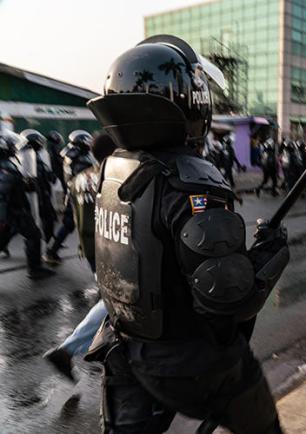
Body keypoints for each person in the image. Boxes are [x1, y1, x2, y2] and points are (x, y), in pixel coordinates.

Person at [85, 35, 288, 433]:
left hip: (124, 348)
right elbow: (228, 299)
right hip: (191, 364)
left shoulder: (114, 169)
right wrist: (271, 254)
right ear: (190, 103)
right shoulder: (192, 184)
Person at [43, 133, 117, 381]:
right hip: (113, 247)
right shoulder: (115, 177)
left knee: (113, 299)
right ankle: (70, 349)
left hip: (90, 247)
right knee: (115, 300)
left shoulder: (77, 180)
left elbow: (71, 216)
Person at [0, 131, 55, 280]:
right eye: (10, 145)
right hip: (14, 210)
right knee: (34, 235)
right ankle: (35, 269)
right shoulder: (5, 166)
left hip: (11, 210)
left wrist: (24, 184)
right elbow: (4, 189)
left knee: (7, 236)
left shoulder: (8, 162)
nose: (13, 147)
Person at [43, 130, 95, 265]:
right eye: (86, 141)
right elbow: (84, 176)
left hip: (74, 194)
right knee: (80, 225)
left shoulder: (72, 154)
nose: (89, 143)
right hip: (78, 196)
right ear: (81, 142)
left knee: (69, 225)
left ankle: (51, 251)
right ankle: (51, 252)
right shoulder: (77, 156)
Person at [19, 130, 58, 243]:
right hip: (32, 192)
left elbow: (45, 170)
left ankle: (49, 239)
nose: (41, 144)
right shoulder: (24, 156)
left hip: (42, 190)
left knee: (48, 216)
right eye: (39, 142)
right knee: (25, 220)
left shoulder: (40, 154)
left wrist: (50, 175)